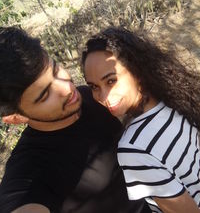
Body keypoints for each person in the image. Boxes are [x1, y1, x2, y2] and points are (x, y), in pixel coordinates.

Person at [0, 27, 151, 213]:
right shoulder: (30, 170)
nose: (67, 88)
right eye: (45, 95)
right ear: (15, 117)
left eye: (55, 70)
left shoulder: (89, 94)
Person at [82, 26, 200, 213]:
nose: (103, 96)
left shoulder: (133, 148)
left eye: (111, 80)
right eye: (94, 87)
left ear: (136, 70)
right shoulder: (175, 100)